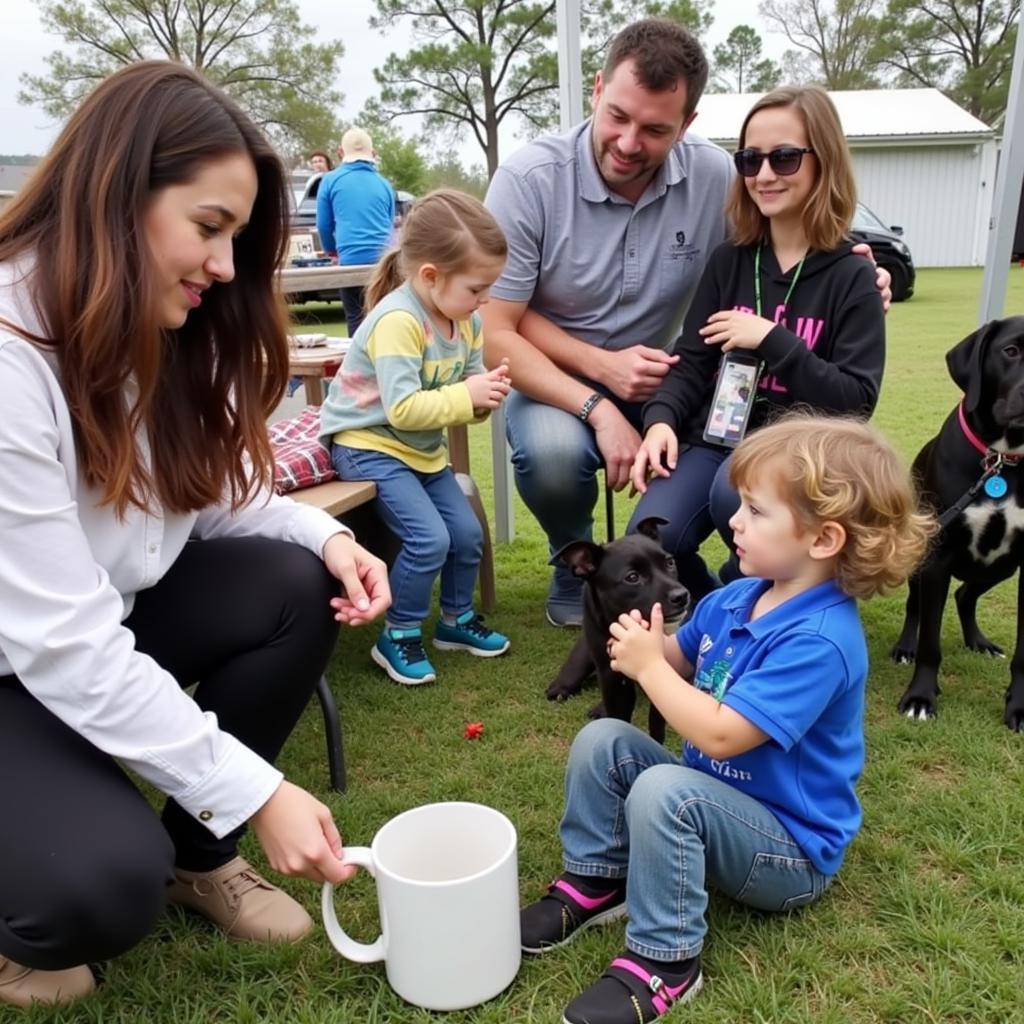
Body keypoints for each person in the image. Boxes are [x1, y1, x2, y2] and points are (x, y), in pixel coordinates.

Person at [0, 61, 390, 1009]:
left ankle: (197, 856)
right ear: (115, 197)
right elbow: (63, 642)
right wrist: (258, 790)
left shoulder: (168, 325)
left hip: (95, 631)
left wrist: (322, 536)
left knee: (295, 586)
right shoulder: (11, 362)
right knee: (95, 892)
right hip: (22, 661)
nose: (224, 265)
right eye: (209, 227)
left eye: (236, 237)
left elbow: (202, 496)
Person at [520, 415, 936, 1024]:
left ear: (823, 540)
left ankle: (665, 960)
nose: (733, 521)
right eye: (739, 504)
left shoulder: (820, 640)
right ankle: (598, 878)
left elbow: (719, 733)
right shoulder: (735, 595)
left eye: (755, 510)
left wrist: (649, 671)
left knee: (667, 790)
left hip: (787, 849)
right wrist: (643, 643)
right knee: (603, 737)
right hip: (713, 803)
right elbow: (679, 658)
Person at [482, 19, 890, 628]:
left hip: (743, 421)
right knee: (560, 460)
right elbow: (496, 325)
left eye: (654, 130)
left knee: (737, 490)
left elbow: (799, 238)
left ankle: (748, 596)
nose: (627, 141)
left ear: (687, 126)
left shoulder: (714, 180)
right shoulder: (529, 179)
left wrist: (856, 268)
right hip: (577, 382)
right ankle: (579, 568)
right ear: (596, 89)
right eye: (617, 115)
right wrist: (621, 403)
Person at [628, 85, 886, 602]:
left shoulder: (853, 275)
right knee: (652, 536)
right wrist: (659, 421)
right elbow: (693, 360)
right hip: (715, 436)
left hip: (798, 457)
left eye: (785, 158)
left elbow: (856, 402)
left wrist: (772, 339)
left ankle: (772, 599)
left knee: (733, 490)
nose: (764, 175)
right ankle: (719, 606)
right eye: (750, 160)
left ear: (823, 161)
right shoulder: (730, 260)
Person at [319, 190, 512, 686]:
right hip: (368, 446)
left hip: (419, 452)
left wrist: (482, 397)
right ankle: (398, 634)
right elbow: (403, 410)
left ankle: (454, 621)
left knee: (466, 535)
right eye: (477, 288)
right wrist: (467, 395)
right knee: (429, 539)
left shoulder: (465, 319)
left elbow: (461, 391)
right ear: (430, 276)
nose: (485, 299)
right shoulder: (398, 321)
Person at [316, 126, 395, 338]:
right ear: (373, 153)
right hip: (383, 263)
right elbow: (389, 225)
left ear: (341, 153)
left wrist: (331, 251)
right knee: (384, 318)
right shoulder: (385, 184)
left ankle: (357, 368)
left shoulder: (330, 180)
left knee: (355, 318)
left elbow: (324, 224)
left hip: (351, 259)